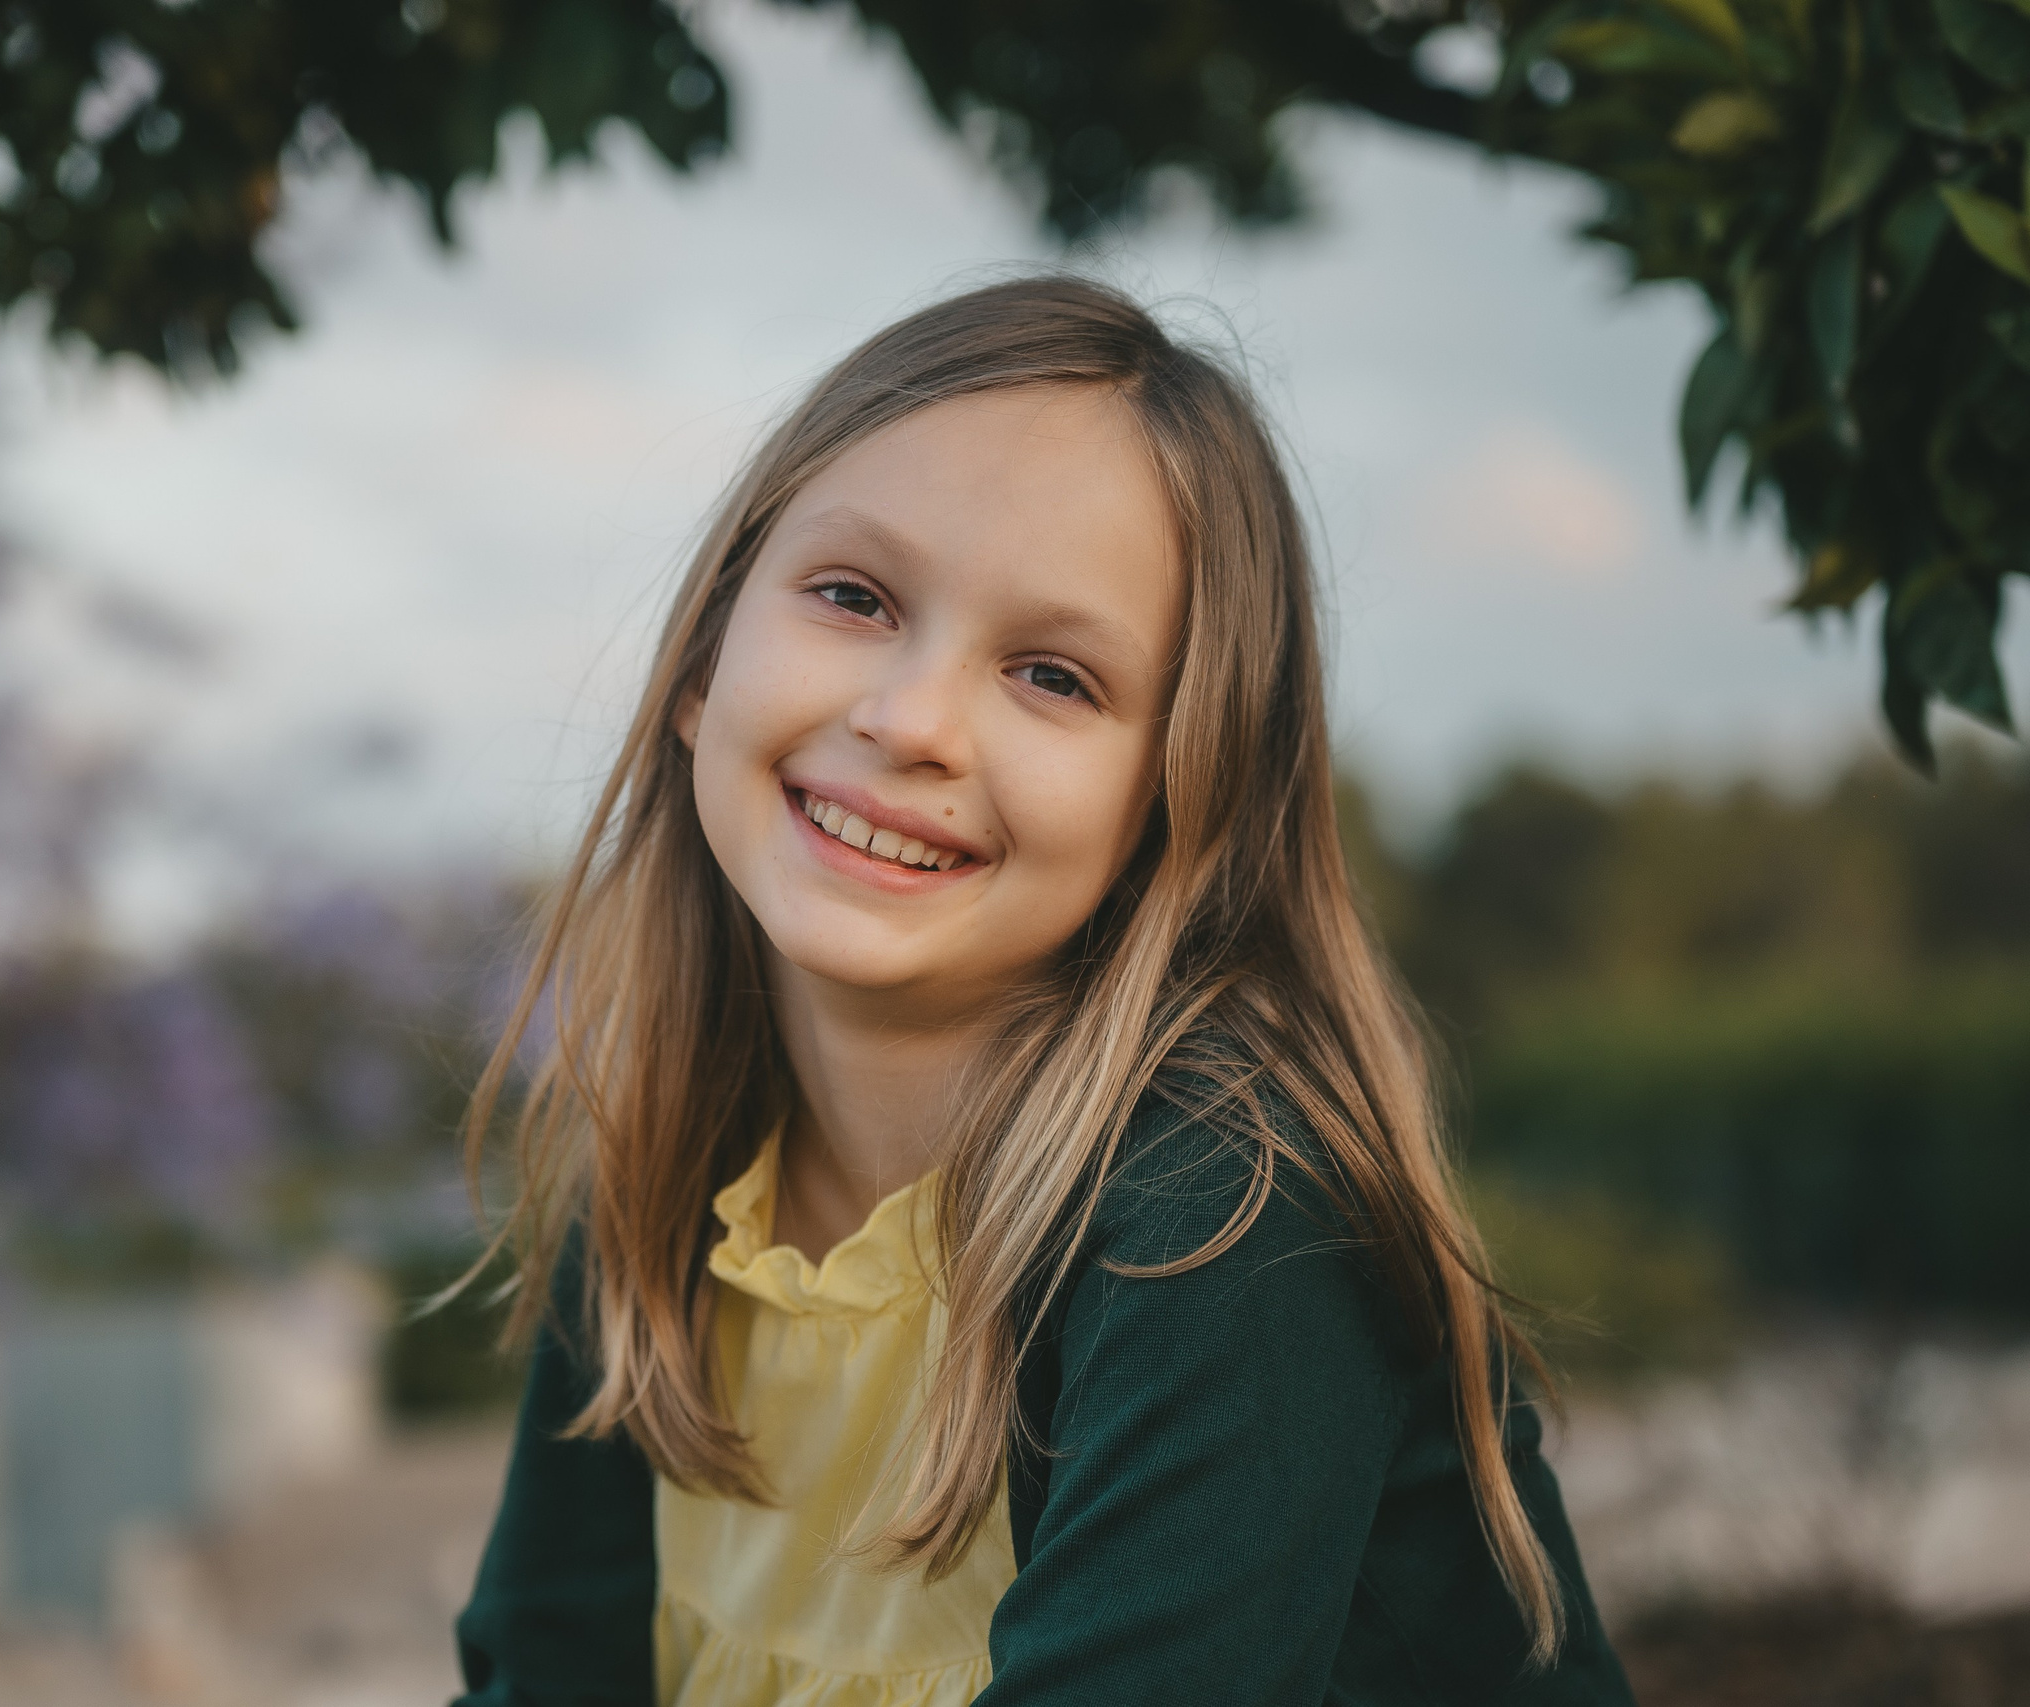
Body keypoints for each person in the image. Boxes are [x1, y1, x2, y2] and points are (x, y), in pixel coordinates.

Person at [447, 276, 1634, 1706]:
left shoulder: (1226, 1224)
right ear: (704, 657)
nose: (912, 719)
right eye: (852, 597)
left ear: (1174, 805)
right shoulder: (660, 1192)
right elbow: (542, 1680)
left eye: (1054, 677)